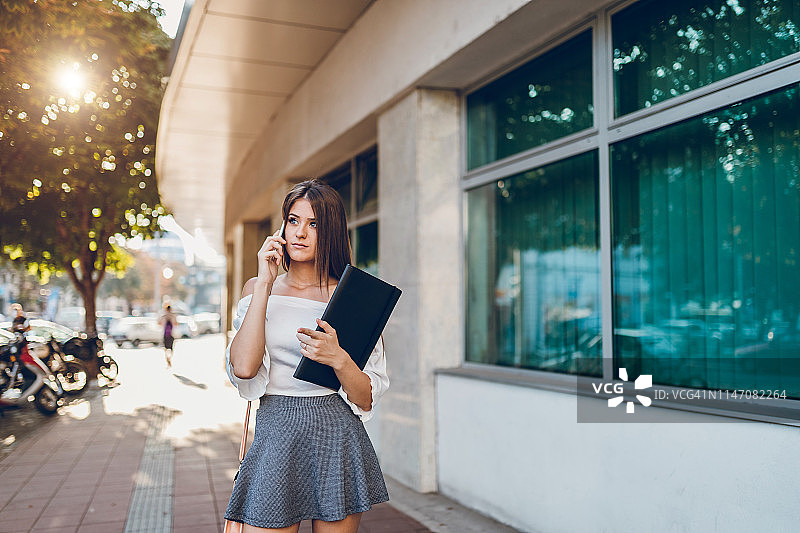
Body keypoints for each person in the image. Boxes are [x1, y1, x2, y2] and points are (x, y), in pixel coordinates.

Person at [224, 179, 389, 532]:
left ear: (330, 231)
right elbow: (244, 367)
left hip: (336, 435)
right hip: (275, 433)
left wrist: (338, 358)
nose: (300, 233)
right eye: (293, 220)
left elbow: (366, 398)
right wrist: (265, 283)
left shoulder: (353, 299)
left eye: (314, 224)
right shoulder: (258, 288)